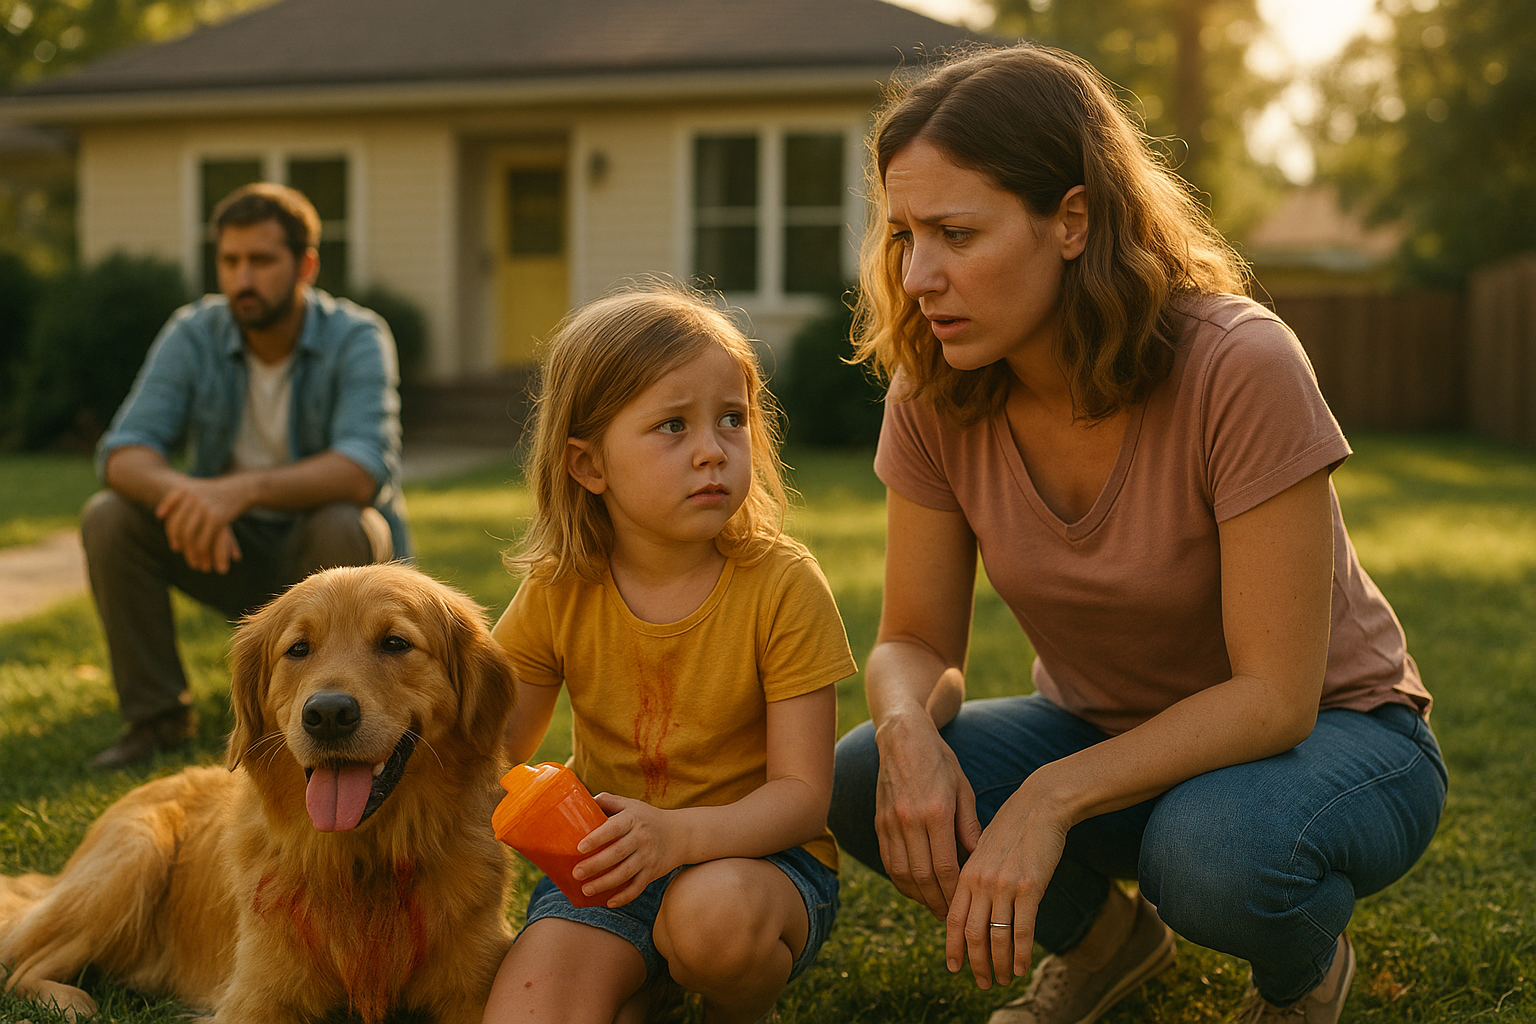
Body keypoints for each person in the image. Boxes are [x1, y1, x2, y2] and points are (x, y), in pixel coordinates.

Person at [827, 43, 1447, 1024]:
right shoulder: (934, 389)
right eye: (905, 235)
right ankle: (1113, 944)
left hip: (1337, 738)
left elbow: (1275, 699)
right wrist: (907, 731)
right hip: (1109, 734)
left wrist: (1047, 799)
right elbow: (915, 643)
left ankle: (1300, 977)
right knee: (864, 767)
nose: (918, 276)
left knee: (1209, 851)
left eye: (955, 232)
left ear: (1072, 220)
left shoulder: (1238, 363)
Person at [483, 287, 855, 1024]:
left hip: (758, 865)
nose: (713, 449)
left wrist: (679, 836)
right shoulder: (561, 587)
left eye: (732, 419)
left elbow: (802, 796)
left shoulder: (782, 584)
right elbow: (491, 750)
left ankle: (735, 1010)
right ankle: (642, 980)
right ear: (589, 466)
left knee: (708, 922)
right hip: (611, 867)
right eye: (672, 425)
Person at [82, 182, 410, 770]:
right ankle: (157, 718)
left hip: (329, 560)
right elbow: (123, 453)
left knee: (345, 521)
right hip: (222, 549)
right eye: (230, 261)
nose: (242, 279)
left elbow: (363, 468)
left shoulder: (358, 336)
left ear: (305, 265)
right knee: (108, 517)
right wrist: (192, 497)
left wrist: (240, 489)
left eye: (261, 261)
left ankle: (337, 706)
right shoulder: (194, 332)